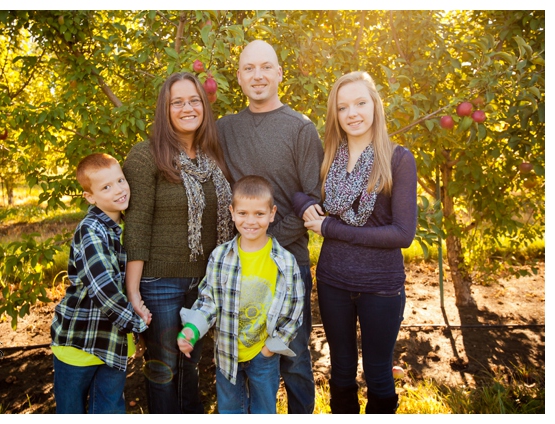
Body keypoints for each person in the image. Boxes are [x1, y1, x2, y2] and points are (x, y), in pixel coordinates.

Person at [292, 71, 417, 414]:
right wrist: (306, 206)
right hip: (333, 283)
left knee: (378, 372)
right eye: (343, 107)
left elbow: (402, 234)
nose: (353, 113)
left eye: (361, 103)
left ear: (375, 106)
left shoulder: (397, 159)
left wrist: (330, 228)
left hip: (380, 288)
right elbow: (295, 189)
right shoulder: (328, 158)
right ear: (336, 114)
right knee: (341, 370)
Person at [216, 40, 324, 413]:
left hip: (286, 263)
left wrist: (266, 244)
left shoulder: (301, 128)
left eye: (266, 67)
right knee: (239, 352)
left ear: (279, 73)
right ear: (240, 78)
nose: (258, 75)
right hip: (239, 265)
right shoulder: (225, 129)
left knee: (292, 356)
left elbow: (312, 196)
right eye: (249, 68)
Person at [123, 72, 234, 413]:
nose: (187, 108)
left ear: (204, 105)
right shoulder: (146, 156)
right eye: (178, 102)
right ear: (165, 109)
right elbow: (136, 227)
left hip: (204, 284)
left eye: (194, 100)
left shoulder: (213, 156)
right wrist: (133, 291)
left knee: (191, 366)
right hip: (160, 284)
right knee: (164, 371)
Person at [177, 175, 305, 414]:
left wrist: (271, 347)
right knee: (230, 410)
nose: (251, 221)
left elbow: (294, 308)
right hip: (227, 353)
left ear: (272, 213)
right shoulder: (220, 257)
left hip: (264, 355)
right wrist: (191, 329)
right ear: (232, 212)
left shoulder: (284, 262)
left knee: (264, 410)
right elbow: (208, 301)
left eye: (259, 214)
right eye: (243, 213)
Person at [50, 153, 151, 414]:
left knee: (109, 410)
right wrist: (137, 324)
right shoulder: (91, 230)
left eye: (120, 180)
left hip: (113, 344)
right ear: (90, 197)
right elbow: (103, 288)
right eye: (106, 187)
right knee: (71, 411)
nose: (118, 190)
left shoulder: (126, 226)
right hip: (81, 344)